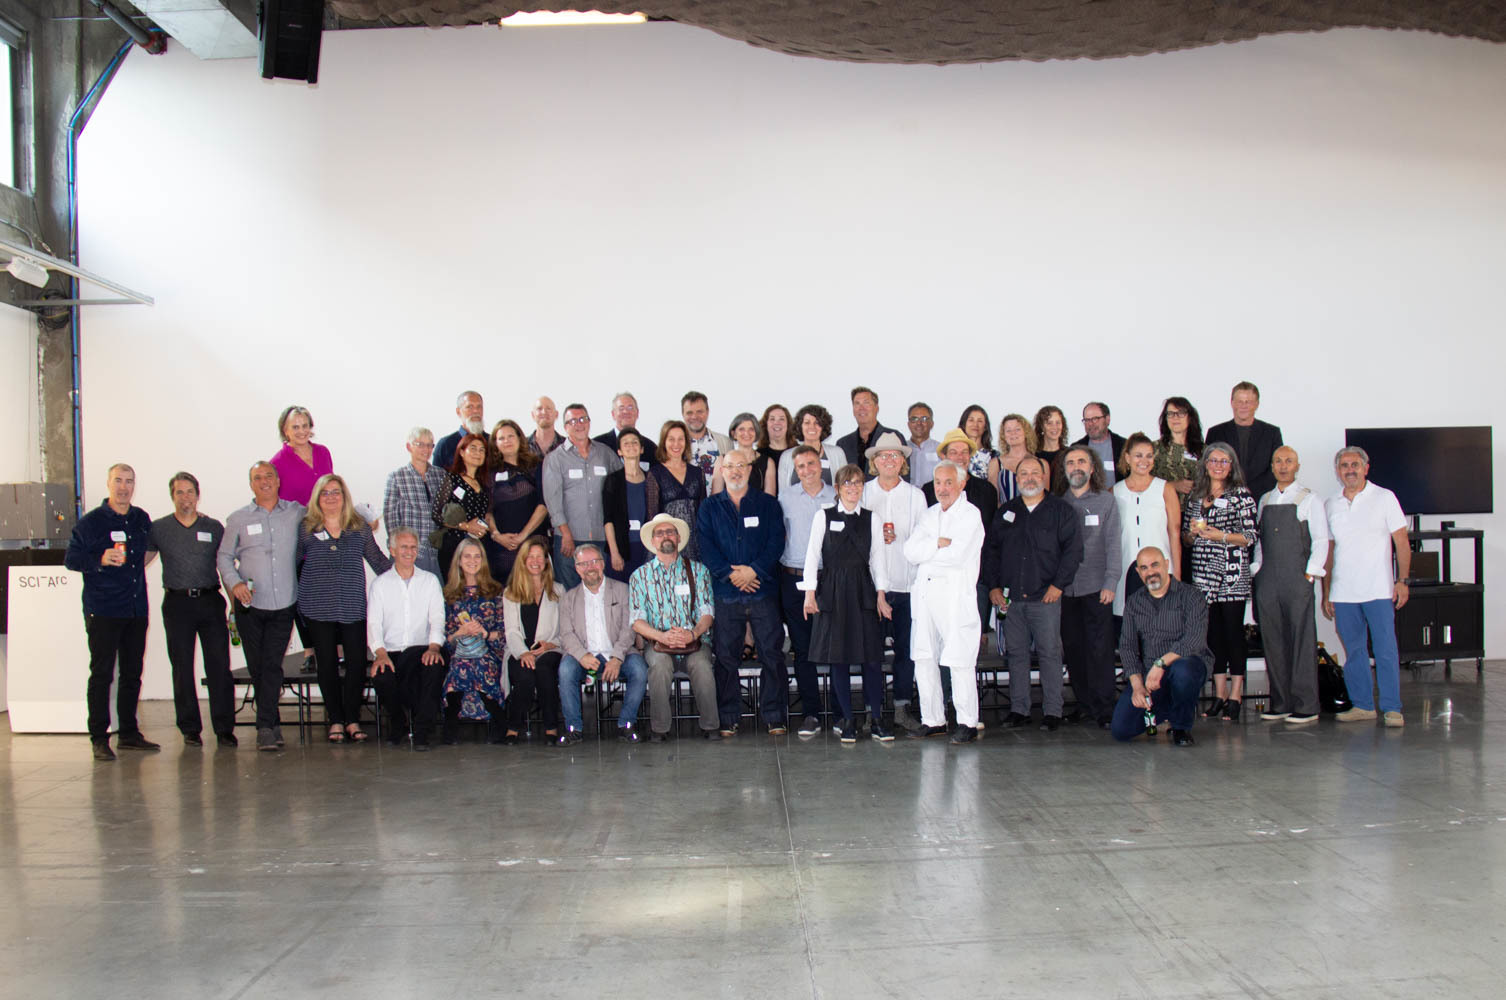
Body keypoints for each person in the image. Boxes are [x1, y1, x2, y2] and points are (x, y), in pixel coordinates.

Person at [65, 463, 158, 760]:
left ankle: (129, 733)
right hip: (103, 609)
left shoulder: (141, 518)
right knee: (102, 674)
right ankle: (99, 737)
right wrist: (100, 558)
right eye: (118, 480)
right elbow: (71, 559)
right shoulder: (91, 523)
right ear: (108, 483)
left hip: (135, 608)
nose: (124, 487)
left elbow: (150, 549)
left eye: (129, 481)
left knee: (132, 673)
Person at [984, 456, 1082, 730]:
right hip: (1011, 599)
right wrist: (993, 586)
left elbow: (1073, 552)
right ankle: (1020, 710)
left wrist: (1058, 585)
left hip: (1045, 598)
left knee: (1050, 654)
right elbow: (991, 551)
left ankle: (1053, 712)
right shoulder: (1006, 512)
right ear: (1016, 480)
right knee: (1017, 655)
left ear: (1044, 477)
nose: (1029, 478)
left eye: (1034, 473)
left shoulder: (1061, 510)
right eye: (1023, 473)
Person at [696, 447, 787, 736]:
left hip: (762, 590)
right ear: (721, 472)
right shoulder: (709, 507)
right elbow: (705, 547)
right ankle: (729, 716)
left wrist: (753, 571)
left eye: (741, 466)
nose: (735, 471)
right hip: (725, 592)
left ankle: (774, 715)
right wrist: (731, 574)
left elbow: (776, 543)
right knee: (725, 656)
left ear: (750, 470)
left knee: (771, 654)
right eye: (730, 466)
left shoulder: (768, 504)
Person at [802, 465, 894, 741]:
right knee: (838, 660)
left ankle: (876, 718)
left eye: (857, 484)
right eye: (847, 484)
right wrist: (809, 593)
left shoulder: (872, 519)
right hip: (832, 591)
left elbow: (878, 559)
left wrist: (881, 594)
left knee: (872, 660)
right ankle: (847, 720)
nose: (853, 488)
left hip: (863, 590)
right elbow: (811, 555)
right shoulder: (823, 516)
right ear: (838, 488)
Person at [298, 473, 391, 744]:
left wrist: (406, 573)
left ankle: (352, 719)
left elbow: (376, 560)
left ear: (344, 496)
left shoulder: (358, 527)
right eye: (325, 493)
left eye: (336, 492)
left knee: (356, 664)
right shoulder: (306, 527)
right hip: (317, 606)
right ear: (317, 498)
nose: (331, 497)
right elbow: (293, 564)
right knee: (326, 664)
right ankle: (335, 720)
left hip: (353, 606)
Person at [218, 461, 304, 752]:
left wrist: (364, 521)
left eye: (269, 476)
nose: (265, 481)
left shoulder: (296, 513)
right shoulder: (237, 519)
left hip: (284, 604)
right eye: (258, 477)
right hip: (249, 605)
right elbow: (224, 557)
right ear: (251, 484)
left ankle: (265, 727)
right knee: (259, 667)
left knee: (272, 665)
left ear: (278, 480)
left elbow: (329, 514)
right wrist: (234, 583)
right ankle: (271, 723)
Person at [1321, 446, 1410, 728]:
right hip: (1343, 592)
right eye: (1344, 465)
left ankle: (1392, 708)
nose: (1350, 469)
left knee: (1385, 650)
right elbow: (1329, 552)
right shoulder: (1331, 504)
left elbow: (1402, 543)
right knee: (1354, 652)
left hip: (1379, 589)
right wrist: (1326, 592)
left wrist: (1402, 580)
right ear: (1338, 471)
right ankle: (1362, 705)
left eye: (1355, 465)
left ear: (1366, 468)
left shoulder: (1385, 498)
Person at [148, 471, 235, 747]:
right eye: (179, 492)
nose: (185, 497)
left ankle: (224, 728)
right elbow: (142, 561)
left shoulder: (214, 527)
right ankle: (189, 729)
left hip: (210, 601)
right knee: (182, 667)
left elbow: (226, 567)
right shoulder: (159, 528)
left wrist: (235, 606)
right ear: (172, 496)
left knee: (219, 666)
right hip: (177, 603)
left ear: (198, 495)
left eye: (190, 492)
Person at [905, 462, 985, 744]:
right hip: (925, 596)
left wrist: (931, 549)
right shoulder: (929, 514)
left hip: (954, 597)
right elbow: (910, 551)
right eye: (938, 482)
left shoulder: (970, 515)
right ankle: (933, 719)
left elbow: (957, 555)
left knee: (959, 659)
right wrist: (937, 544)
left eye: (948, 482)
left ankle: (967, 722)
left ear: (961, 484)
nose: (942, 488)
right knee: (924, 657)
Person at [1250, 446, 1330, 724]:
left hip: (1297, 577)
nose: (1283, 466)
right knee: (1272, 640)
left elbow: (1321, 540)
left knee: (1301, 640)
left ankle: (1306, 705)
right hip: (1268, 578)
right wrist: (1257, 569)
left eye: (1289, 461)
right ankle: (1280, 702)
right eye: (1278, 461)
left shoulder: (1309, 499)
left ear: (1297, 466)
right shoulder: (1264, 499)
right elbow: (1260, 542)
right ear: (1272, 467)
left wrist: (1310, 574)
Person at [1182, 443, 1257, 721]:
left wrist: (1220, 536)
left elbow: (1250, 536)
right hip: (1203, 575)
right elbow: (1187, 539)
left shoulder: (1241, 495)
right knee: (1212, 635)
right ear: (1205, 464)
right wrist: (1191, 534)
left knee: (1233, 633)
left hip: (1231, 573)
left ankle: (1236, 694)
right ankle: (1219, 694)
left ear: (1232, 465)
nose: (1218, 465)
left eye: (1224, 461)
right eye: (1213, 460)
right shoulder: (1195, 496)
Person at [629, 513, 718, 741]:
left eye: (670, 532)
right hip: (658, 643)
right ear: (653, 540)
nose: (665, 536)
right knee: (659, 667)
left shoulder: (699, 571)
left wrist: (693, 633)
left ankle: (710, 726)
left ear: (678, 538)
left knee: (702, 665)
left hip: (695, 641)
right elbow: (637, 621)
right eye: (660, 533)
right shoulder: (639, 576)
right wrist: (663, 637)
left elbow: (707, 612)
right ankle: (659, 730)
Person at [1111, 547, 1209, 747]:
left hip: (1187, 664)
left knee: (1183, 672)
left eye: (1155, 564)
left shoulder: (1191, 595)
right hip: (1151, 676)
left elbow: (1194, 640)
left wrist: (1160, 664)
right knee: (1121, 730)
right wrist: (1137, 686)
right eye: (1144, 568)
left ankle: (1181, 726)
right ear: (1138, 572)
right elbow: (1128, 647)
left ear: (1166, 563)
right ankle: (1168, 706)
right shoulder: (1134, 602)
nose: (1150, 571)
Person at [863, 432, 926, 732]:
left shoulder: (916, 496)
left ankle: (902, 708)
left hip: (906, 584)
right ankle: (870, 710)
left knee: (906, 651)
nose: (889, 460)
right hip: (871, 586)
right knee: (870, 652)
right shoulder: (862, 492)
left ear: (902, 461)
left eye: (895, 455)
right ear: (874, 462)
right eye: (883, 455)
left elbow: (924, 539)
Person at [557, 544, 650, 744]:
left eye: (595, 561)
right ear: (577, 568)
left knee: (639, 670)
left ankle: (626, 724)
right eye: (584, 563)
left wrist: (617, 657)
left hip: (618, 652)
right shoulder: (568, 598)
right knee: (565, 671)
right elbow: (565, 633)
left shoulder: (623, 590)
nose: (590, 567)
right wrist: (582, 656)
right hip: (583, 655)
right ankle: (574, 728)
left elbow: (629, 628)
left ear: (603, 564)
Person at [1057, 447, 1122, 728]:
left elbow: (1113, 545)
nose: (1076, 467)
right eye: (1070, 463)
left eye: (1081, 461)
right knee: (1074, 650)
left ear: (1092, 468)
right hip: (1066, 591)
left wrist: (1111, 582)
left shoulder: (1106, 502)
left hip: (1097, 588)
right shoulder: (1058, 504)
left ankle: (1105, 708)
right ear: (1065, 470)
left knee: (1100, 651)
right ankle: (1084, 704)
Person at [367, 528, 446, 750]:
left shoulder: (429, 581)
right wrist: (380, 654)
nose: (409, 552)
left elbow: (437, 619)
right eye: (404, 547)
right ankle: (398, 723)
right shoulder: (380, 585)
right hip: (391, 651)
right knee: (381, 675)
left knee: (434, 667)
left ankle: (422, 731)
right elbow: (373, 624)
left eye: (413, 547)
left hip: (422, 650)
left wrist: (434, 648)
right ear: (392, 550)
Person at [778, 445, 836, 734]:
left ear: (821, 464)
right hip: (794, 579)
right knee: (803, 650)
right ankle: (812, 713)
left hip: (830, 580)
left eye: (811, 464)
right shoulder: (785, 498)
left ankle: (840, 714)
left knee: (835, 647)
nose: (807, 470)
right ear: (795, 470)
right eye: (800, 466)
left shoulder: (836, 495)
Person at [541, 403, 622, 590]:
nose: (579, 424)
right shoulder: (555, 459)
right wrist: (566, 533)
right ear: (565, 426)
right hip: (570, 539)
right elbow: (553, 500)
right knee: (570, 593)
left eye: (583, 419)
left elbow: (619, 493)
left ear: (589, 422)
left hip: (602, 538)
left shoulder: (605, 454)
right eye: (573, 421)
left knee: (602, 591)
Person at [439, 537, 506, 744]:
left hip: (490, 650)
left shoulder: (496, 592)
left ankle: (497, 718)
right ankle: (453, 721)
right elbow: (445, 638)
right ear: (459, 560)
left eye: (477, 556)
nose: (472, 560)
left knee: (479, 662)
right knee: (462, 661)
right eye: (467, 556)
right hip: (459, 651)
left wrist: (484, 633)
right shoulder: (448, 595)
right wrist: (460, 632)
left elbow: (505, 633)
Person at [501, 537, 566, 743]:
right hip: (519, 650)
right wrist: (523, 652)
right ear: (523, 560)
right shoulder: (510, 592)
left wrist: (551, 644)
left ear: (547, 561)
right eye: (531, 557)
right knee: (526, 676)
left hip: (549, 649)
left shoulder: (558, 590)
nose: (535, 561)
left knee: (545, 671)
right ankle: (513, 726)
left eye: (540, 556)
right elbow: (511, 631)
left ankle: (551, 727)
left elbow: (565, 630)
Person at [1112, 433, 1181, 617]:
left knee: (1163, 622)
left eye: (1149, 455)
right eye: (1138, 455)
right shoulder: (1115, 492)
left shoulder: (1165, 489)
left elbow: (1174, 533)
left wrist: (1178, 575)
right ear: (1127, 458)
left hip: (1161, 568)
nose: (1144, 460)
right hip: (1127, 568)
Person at [486, 418, 549, 583]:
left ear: (519, 438)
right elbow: (487, 510)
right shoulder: (488, 472)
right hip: (502, 548)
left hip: (533, 542)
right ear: (495, 443)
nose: (506, 441)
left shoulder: (537, 465)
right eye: (501, 438)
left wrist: (523, 536)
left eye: (510, 436)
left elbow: (544, 504)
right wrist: (496, 535)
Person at [382, 427, 446, 576]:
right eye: (420, 444)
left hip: (434, 553)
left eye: (430, 445)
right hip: (408, 553)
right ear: (409, 447)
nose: (426, 449)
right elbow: (390, 517)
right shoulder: (397, 477)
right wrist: (399, 549)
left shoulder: (440, 475)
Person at [1206, 381, 1284, 500]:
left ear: (1257, 404)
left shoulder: (1272, 433)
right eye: (1240, 401)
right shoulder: (1215, 432)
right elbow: (1209, 466)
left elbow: (1276, 467)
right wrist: (1232, 490)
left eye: (1248, 402)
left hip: (1262, 499)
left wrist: (1250, 490)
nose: (1244, 406)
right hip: (1223, 499)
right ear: (1232, 403)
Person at [432, 433, 494, 581]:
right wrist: (465, 526)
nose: (477, 453)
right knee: (455, 592)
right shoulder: (451, 479)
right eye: (473, 448)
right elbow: (436, 514)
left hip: (478, 548)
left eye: (481, 450)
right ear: (461, 452)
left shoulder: (485, 484)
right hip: (454, 548)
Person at [646, 420, 707, 560]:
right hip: (667, 544)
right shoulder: (655, 474)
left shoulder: (697, 473)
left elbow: (703, 512)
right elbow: (652, 516)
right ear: (664, 442)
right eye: (671, 439)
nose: (676, 444)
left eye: (681, 439)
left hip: (695, 544)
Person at [922, 429, 1000, 529]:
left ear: (970, 456)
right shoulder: (929, 491)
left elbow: (991, 532)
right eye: (953, 452)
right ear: (943, 456)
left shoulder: (987, 490)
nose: (960, 457)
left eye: (964, 452)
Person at [603, 426, 652, 582]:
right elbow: (608, 519)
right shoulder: (613, 480)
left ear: (642, 448)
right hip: (622, 548)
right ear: (619, 451)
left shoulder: (651, 479)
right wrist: (614, 552)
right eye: (626, 443)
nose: (631, 445)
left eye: (635, 442)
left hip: (646, 548)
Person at [270, 405, 334, 506]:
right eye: (295, 427)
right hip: (296, 521)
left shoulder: (323, 452)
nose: (301, 431)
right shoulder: (276, 463)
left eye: (305, 426)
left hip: (326, 518)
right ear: (285, 430)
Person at [776, 403, 845, 488]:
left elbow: (844, 488)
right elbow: (783, 494)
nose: (812, 427)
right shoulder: (786, 457)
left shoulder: (837, 454)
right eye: (807, 423)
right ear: (800, 427)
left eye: (817, 423)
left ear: (823, 427)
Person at [835, 386, 896, 477]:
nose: (861, 408)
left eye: (866, 403)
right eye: (857, 403)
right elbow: (840, 479)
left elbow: (904, 474)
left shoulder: (893, 437)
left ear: (876, 408)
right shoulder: (843, 444)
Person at [1152, 396, 1203, 498]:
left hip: (1196, 510)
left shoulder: (1204, 450)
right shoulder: (1153, 449)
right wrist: (1172, 486)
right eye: (1170, 414)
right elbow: (1142, 482)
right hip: (1164, 509)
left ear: (1190, 417)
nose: (1175, 417)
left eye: (1181, 413)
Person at [681, 390, 733, 480]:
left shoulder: (725, 443)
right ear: (683, 414)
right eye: (689, 413)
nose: (694, 416)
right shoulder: (674, 446)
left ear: (707, 412)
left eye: (699, 412)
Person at [1072, 401, 1127, 484]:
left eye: (1095, 419)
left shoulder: (1124, 446)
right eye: (1087, 420)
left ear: (1107, 419)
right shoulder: (1076, 448)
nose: (1090, 424)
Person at [711, 412, 765, 494]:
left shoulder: (767, 462)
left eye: (751, 429)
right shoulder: (722, 460)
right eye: (741, 429)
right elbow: (715, 498)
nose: (746, 433)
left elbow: (769, 501)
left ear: (756, 433)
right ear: (734, 434)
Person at [435, 391, 485, 473]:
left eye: (479, 407)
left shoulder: (492, 442)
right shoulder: (445, 445)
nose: (476, 411)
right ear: (458, 412)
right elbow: (436, 480)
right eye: (470, 407)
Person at [995, 413, 1040, 503]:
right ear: (1003, 435)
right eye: (1008, 430)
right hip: (1005, 515)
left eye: (1017, 429)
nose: (1013, 433)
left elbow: (1045, 500)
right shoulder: (996, 463)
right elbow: (994, 499)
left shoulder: (1040, 463)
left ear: (1026, 432)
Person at [757, 403, 796, 496]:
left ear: (788, 424)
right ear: (765, 425)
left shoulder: (798, 452)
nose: (777, 423)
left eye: (781, 419)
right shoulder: (758, 455)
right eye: (772, 419)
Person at [593, 391, 647, 457]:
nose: (626, 412)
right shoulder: (597, 446)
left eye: (630, 408)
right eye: (621, 408)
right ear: (613, 414)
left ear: (637, 413)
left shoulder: (649, 447)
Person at [957, 403, 999, 482]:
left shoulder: (994, 456)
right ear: (963, 424)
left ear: (985, 426)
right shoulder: (954, 454)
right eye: (971, 420)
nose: (975, 424)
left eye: (980, 421)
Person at [906, 402, 942, 489]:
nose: (919, 423)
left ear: (932, 424)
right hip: (906, 498)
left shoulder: (941, 450)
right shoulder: (902, 450)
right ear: (908, 424)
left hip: (933, 498)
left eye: (924, 419)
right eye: (914, 419)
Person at [1032, 405, 1069, 483]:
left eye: (1058, 422)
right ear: (1042, 426)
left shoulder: (1069, 454)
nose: (1054, 427)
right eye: (1049, 423)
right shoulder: (1033, 455)